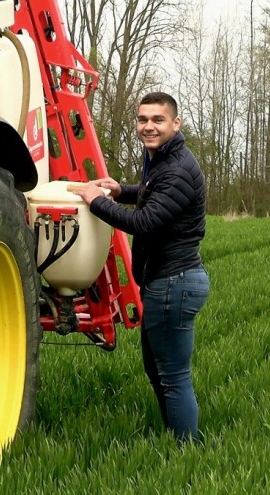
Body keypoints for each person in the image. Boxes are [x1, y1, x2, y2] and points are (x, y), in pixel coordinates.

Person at [74, 91, 209, 442]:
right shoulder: (162, 161)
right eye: (142, 119)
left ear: (175, 123)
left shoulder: (177, 168)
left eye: (157, 120)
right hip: (167, 281)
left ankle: (187, 451)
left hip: (173, 283)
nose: (148, 127)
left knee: (174, 375)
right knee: (157, 368)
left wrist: (95, 202)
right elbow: (153, 194)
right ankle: (176, 437)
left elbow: (146, 222)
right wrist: (122, 191)